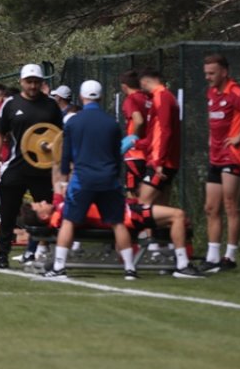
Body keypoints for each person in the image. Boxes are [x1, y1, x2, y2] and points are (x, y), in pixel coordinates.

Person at [41, 80, 138, 280]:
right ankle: (130, 268)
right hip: (108, 179)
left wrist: (65, 180)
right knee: (118, 223)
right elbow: (116, 154)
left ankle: (59, 267)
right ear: (100, 97)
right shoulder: (111, 123)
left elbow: (66, 153)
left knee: (69, 221)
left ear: (82, 96)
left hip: (83, 179)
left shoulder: (73, 121)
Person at [21, 194, 205, 278]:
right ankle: (182, 264)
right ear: (44, 216)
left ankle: (174, 260)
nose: (43, 201)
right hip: (130, 214)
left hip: (127, 209)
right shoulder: (61, 216)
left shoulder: (61, 209)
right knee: (178, 215)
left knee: (179, 220)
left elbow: (59, 191)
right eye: (39, 205)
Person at [0, 64, 63, 269]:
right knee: (8, 213)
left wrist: (60, 167)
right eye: (29, 82)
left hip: (43, 169)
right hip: (16, 167)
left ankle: (44, 252)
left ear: (41, 83)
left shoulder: (51, 105)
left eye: (36, 82)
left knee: (48, 212)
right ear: (21, 82)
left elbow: (60, 136)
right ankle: (2, 255)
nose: (32, 86)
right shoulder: (10, 104)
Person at [201, 54, 240, 272]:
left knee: (230, 206)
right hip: (215, 157)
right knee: (211, 207)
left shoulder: (237, 92)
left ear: (224, 72)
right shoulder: (211, 92)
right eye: (206, 73)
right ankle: (212, 257)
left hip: (235, 158)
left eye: (212, 73)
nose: (208, 77)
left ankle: (230, 257)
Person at [136, 69, 180, 207]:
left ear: (145, 81)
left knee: (143, 205)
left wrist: (159, 161)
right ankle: (170, 227)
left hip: (160, 161)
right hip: (163, 159)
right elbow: (155, 133)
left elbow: (165, 130)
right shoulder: (160, 97)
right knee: (159, 206)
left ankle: (178, 222)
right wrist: (138, 143)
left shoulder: (162, 96)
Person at [118, 70, 150, 195]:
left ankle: (135, 215)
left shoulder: (130, 100)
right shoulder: (147, 98)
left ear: (124, 86)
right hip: (149, 152)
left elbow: (139, 121)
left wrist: (133, 140)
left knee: (133, 194)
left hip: (134, 153)